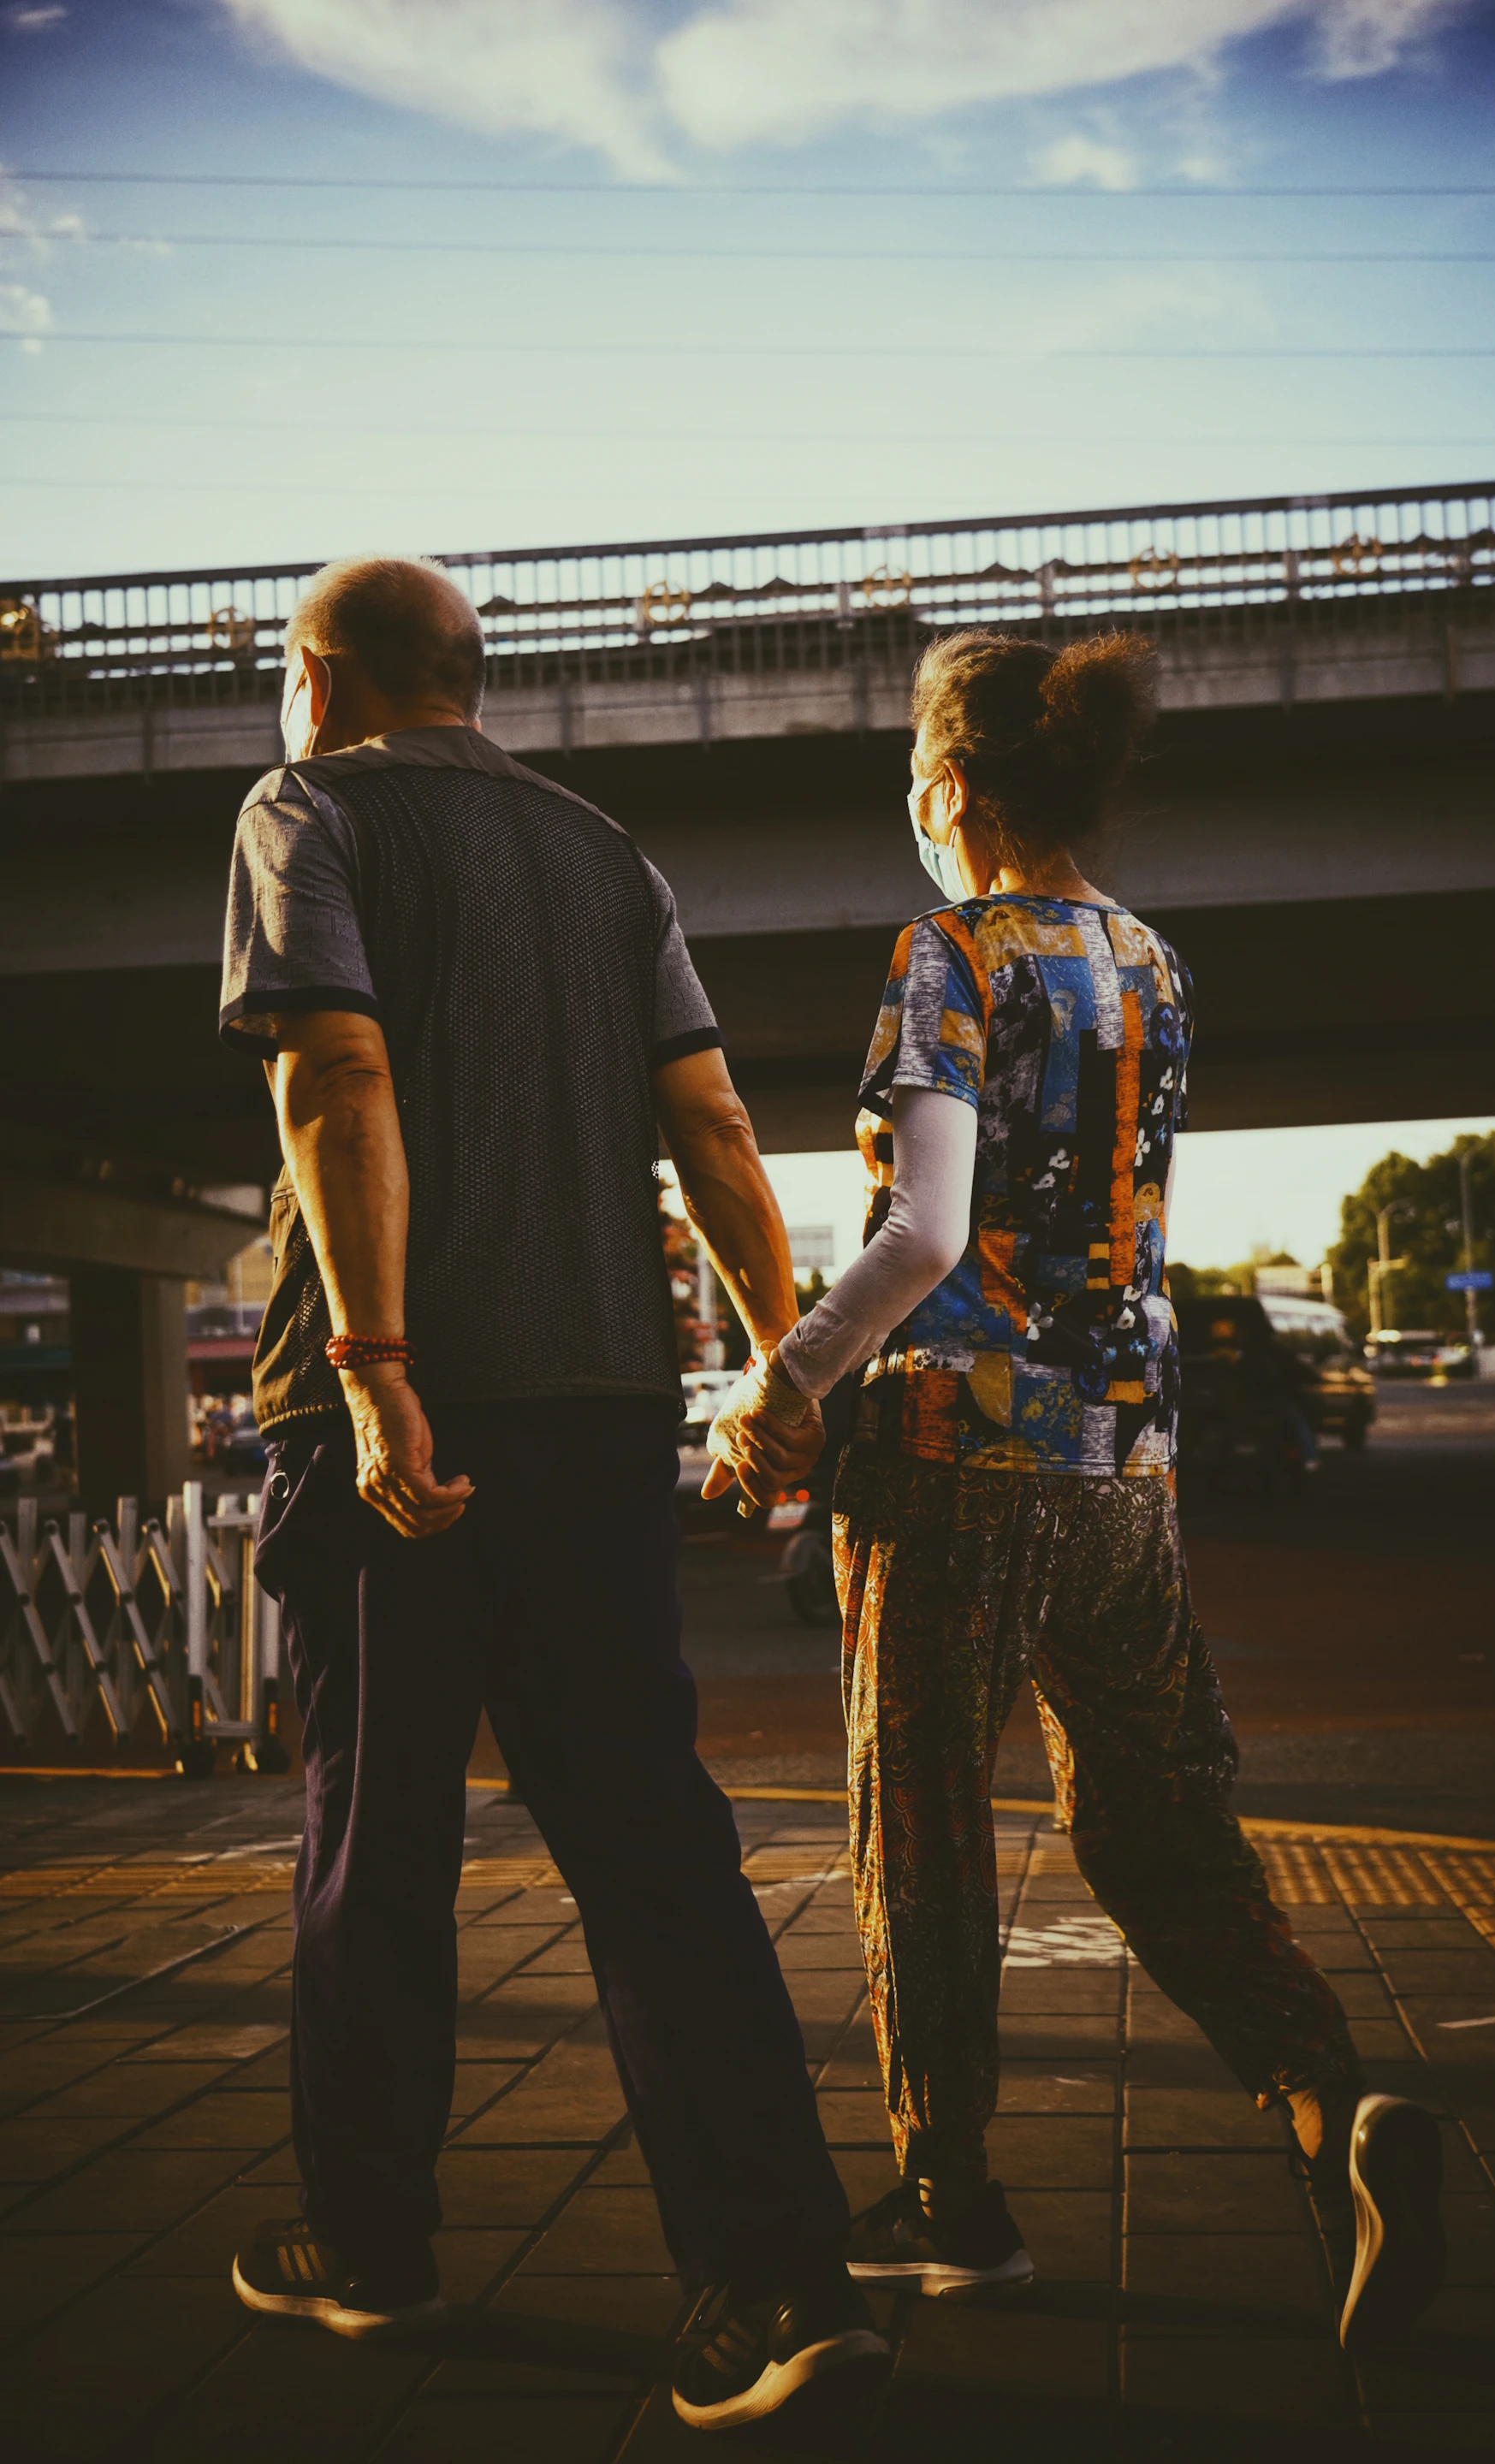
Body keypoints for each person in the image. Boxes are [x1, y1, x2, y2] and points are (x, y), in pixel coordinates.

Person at [711, 628, 1445, 2348]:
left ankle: (949, 2202)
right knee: (1154, 1814)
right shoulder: (1155, 961)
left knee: (930, 1830)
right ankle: (1330, 2104)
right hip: (1127, 1466)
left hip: (955, 1461)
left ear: (950, 785)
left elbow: (929, 1233)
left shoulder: (948, 952)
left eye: (914, 780)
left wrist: (785, 1385)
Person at [217, 555, 887, 2430]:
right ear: (470, 679)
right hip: (600, 1414)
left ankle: (374, 2253)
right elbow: (716, 1123)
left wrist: (372, 1374)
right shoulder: (607, 854)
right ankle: (777, 2288)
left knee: (381, 1845)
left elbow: (338, 1075)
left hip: (394, 1429)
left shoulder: (305, 807)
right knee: (654, 1846)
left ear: (319, 680)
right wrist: (786, 1357)